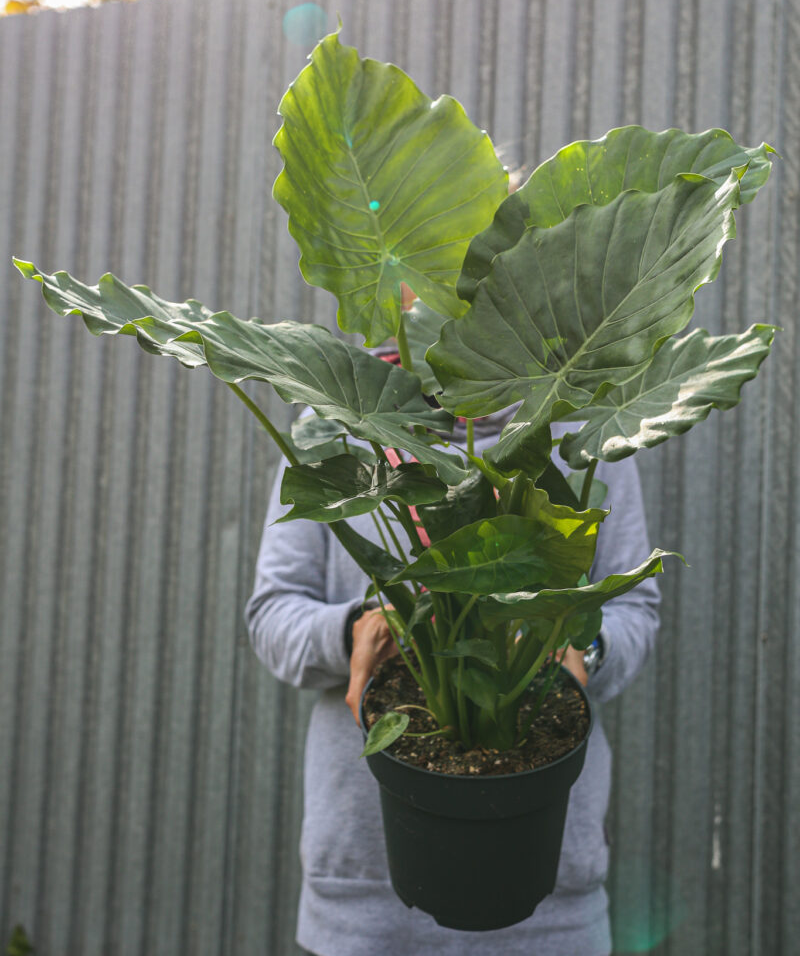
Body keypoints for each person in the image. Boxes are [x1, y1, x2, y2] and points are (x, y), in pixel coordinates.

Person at [245, 409, 660, 956]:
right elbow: (273, 615)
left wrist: (581, 644)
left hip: (552, 889)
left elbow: (634, 604)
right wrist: (355, 630)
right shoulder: (336, 420)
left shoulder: (584, 421)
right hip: (362, 897)